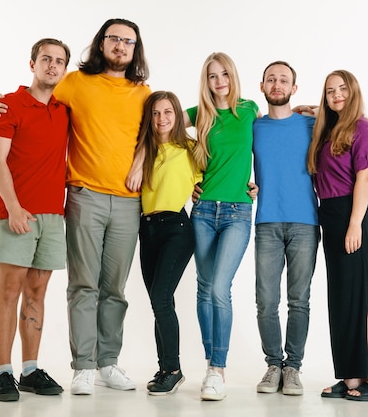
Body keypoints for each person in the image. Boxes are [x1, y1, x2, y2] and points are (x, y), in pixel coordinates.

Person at [0, 18, 151, 395]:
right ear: (101, 43)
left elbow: (163, 127)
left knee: (107, 289)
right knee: (73, 286)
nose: (120, 46)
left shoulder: (140, 93)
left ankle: (96, 363)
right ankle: (71, 368)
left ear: (135, 48)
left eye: (128, 41)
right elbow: (26, 104)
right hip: (79, 198)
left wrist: (143, 163)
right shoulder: (73, 84)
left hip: (106, 205)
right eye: (113, 38)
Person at [0, 38, 70, 401]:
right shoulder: (7, 105)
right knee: (9, 291)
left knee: (37, 292)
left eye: (59, 61)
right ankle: (3, 373)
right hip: (14, 213)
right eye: (46, 59)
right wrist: (15, 207)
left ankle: (30, 369)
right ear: (32, 63)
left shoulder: (65, 109)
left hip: (53, 216)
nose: (52, 66)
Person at [307, 70, 368, 401]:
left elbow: (364, 178)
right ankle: (354, 375)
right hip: (330, 219)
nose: (336, 95)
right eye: (330, 91)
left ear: (354, 91)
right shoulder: (328, 130)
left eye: (342, 89)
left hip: (352, 216)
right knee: (344, 301)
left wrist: (355, 223)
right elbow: (317, 111)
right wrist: (310, 109)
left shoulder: (360, 127)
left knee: (364, 300)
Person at [184, 52, 259, 401]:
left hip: (237, 212)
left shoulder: (249, 110)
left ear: (233, 76)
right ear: (206, 82)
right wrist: (188, 182)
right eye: (212, 76)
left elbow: (280, 125)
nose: (219, 82)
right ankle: (210, 365)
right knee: (203, 288)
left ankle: (218, 368)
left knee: (218, 287)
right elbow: (159, 119)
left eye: (224, 74)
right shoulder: (200, 115)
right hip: (202, 211)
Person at [252, 61, 320, 396]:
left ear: (294, 89)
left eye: (284, 80)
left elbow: (350, 116)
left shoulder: (310, 123)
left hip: (305, 222)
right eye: (271, 80)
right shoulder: (254, 126)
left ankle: (293, 367)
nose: (277, 85)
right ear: (262, 86)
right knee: (266, 301)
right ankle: (273, 366)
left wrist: (317, 109)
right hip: (266, 221)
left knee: (299, 300)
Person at [135, 91, 203, 395]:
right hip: (146, 229)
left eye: (168, 112)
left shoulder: (190, 148)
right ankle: (165, 367)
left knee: (160, 297)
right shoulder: (142, 150)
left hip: (176, 227)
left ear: (178, 116)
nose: (162, 119)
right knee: (159, 300)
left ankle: (173, 369)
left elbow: (218, 173)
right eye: (156, 113)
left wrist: (248, 185)